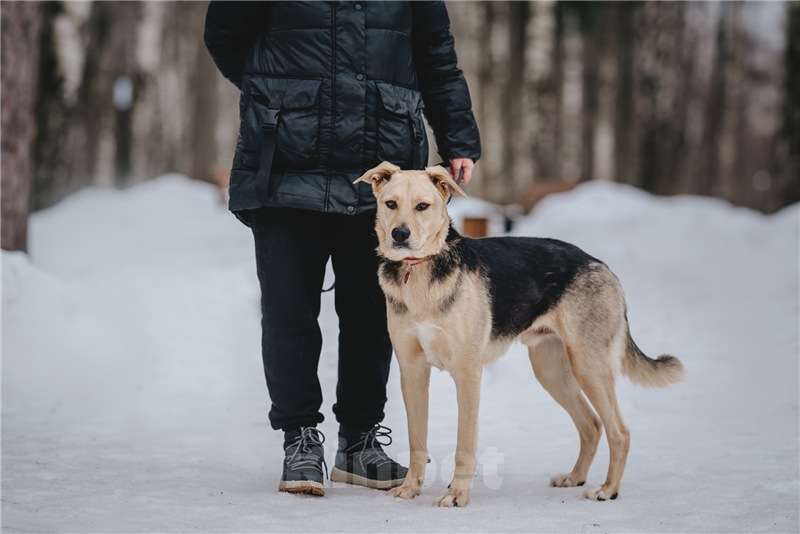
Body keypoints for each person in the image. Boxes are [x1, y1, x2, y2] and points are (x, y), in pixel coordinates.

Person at [204, 1, 481, 496]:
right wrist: (276, 94)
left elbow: (436, 54)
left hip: (381, 175)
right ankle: (300, 439)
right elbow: (224, 35)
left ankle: (359, 442)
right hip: (284, 166)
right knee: (289, 313)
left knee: (373, 315)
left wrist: (457, 137)